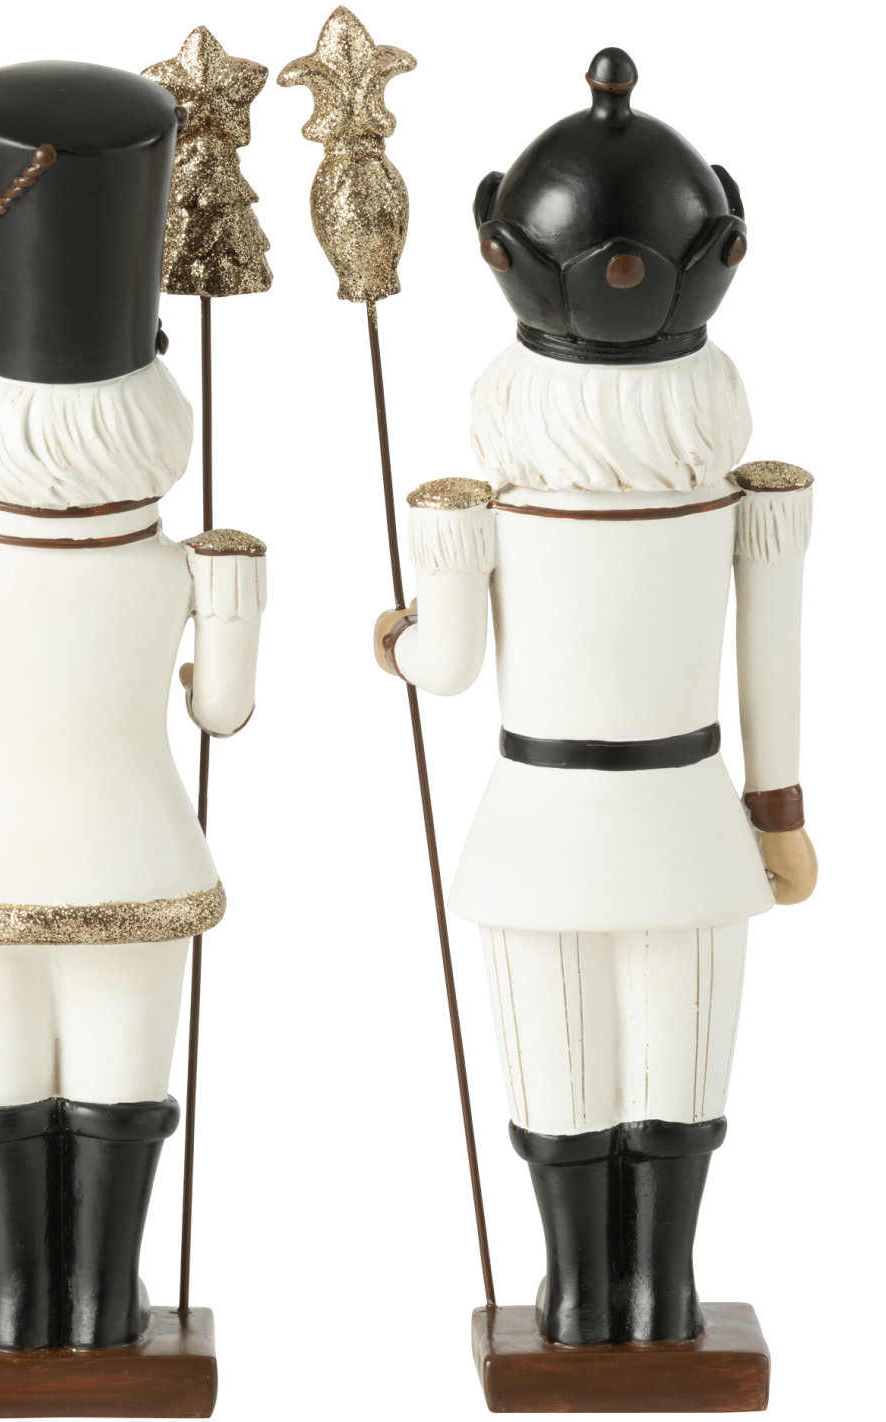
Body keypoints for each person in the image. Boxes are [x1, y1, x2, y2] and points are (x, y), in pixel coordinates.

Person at [374, 48, 816, 1345]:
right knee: (678, 1075)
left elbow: (447, 667)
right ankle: (661, 1299)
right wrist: (782, 813)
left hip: (541, 825)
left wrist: (395, 635)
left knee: (562, 1072)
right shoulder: (740, 498)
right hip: (694, 819)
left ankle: (577, 1302)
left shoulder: (485, 500)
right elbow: (773, 665)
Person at [0, 38, 265, 1351]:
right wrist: (231, 608)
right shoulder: (182, 568)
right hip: (139, 853)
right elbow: (223, 714)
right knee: (121, 1094)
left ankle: (21, 1301)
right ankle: (104, 1304)